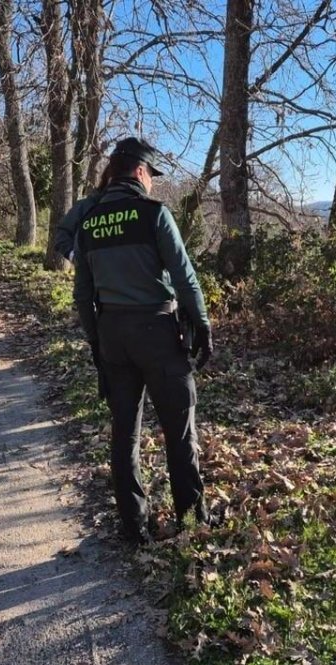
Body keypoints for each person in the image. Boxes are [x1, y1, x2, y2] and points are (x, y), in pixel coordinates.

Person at [72, 137, 215, 544]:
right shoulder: (154, 214)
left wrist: (97, 343)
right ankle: (192, 521)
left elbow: (82, 293)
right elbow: (184, 275)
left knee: (124, 434)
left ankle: (133, 526)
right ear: (139, 172)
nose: (152, 182)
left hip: (112, 334)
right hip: (157, 333)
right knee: (179, 430)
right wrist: (201, 325)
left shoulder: (89, 220)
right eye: (151, 174)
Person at [52, 165, 112, 262]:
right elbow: (62, 234)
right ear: (108, 179)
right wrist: (73, 256)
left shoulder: (138, 206)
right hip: (90, 274)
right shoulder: (85, 206)